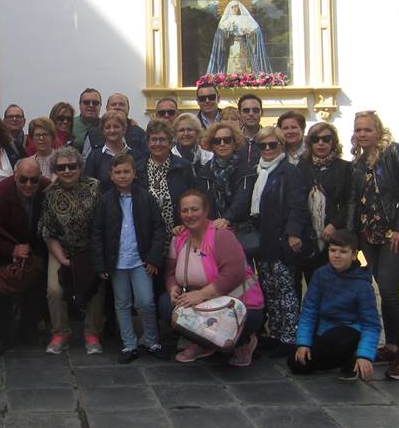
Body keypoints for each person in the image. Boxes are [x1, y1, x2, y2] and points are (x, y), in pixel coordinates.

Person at [348, 110, 399, 380]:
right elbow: (355, 200)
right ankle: (392, 346)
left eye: (367, 129)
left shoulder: (395, 153)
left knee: (390, 291)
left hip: (396, 234)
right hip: (371, 236)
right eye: (358, 130)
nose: (362, 134)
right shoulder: (359, 163)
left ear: (379, 131)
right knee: (384, 289)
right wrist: (353, 237)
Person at [160, 190, 264, 366]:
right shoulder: (178, 239)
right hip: (202, 304)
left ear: (206, 211)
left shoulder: (221, 235)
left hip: (237, 303)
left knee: (230, 334)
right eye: (185, 210)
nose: (189, 215)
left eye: (195, 209)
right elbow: (170, 272)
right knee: (165, 304)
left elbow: (234, 274)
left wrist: (201, 295)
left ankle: (244, 342)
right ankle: (204, 344)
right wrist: (172, 289)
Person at [91, 154, 166, 363]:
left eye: (126, 171)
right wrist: (100, 264)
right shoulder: (105, 201)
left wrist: (154, 258)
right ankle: (129, 344)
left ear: (134, 173)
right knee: (122, 303)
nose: (122, 176)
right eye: (118, 172)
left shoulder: (145, 198)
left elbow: (159, 228)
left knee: (146, 301)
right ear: (111, 175)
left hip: (141, 260)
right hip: (116, 262)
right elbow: (97, 233)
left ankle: (151, 340)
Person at [249, 126, 310, 356]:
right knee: (269, 289)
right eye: (262, 145)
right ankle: (274, 333)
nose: (267, 149)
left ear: (281, 146)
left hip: (282, 239)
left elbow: (298, 206)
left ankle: (289, 337)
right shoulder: (258, 171)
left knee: (286, 291)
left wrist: (293, 232)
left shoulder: (289, 172)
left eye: (272, 144)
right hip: (263, 240)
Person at [289, 229, 381, 381]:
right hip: (324, 330)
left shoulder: (363, 286)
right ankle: (338, 360)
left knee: (337, 341)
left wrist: (365, 355)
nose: (336, 255)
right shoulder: (320, 275)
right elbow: (309, 311)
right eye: (333, 250)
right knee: (296, 362)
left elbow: (371, 325)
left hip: (348, 332)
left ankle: (353, 357)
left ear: (354, 255)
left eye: (343, 252)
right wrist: (303, 344)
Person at [0, 158, 49, 355]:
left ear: (40, 177)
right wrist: (12, 250)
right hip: (6, 247)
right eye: (23, 179)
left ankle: (28, 329)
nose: (29, 184)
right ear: (15, 176)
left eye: (34, 180)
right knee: (1, 287)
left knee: (39, 283)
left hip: (35, 245)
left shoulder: (47, 188)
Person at [41, 146, 104, 355]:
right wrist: (63, 260)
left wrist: (90, 257)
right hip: (60, 249)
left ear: (80, 167)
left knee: (95, 287)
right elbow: (48, 231)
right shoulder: (49, 194)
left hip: (89, 250)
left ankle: (92, 333)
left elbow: (102, 223)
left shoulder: (94, 187)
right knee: (54, 290)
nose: (67, 171)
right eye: (61, 167)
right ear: (55, 170)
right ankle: (60, 333)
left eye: (72, 166)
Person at [299, 121, 352, 283]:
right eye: (315, 139)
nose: (320, 143)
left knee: (336, 284)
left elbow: (350, 202)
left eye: (326, 139)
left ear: (333, 142)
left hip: (335, 236)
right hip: (309, 237)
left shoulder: (345, 168)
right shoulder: (302, 167)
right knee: (313, 283)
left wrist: (334, 225)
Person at [138, 119, 195, 237]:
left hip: (179, 233)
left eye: (162, 139)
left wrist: (184, 224)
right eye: (154, 139)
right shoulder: (138, 168)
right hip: (147, 235)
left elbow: (193, 198)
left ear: (170, 142)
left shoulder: (184, 167)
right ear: (148, 142)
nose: (158, 144)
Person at [195, 121, 255, 229]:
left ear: (234, 143)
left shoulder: (246, 171)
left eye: (227, 140)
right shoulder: (204, 172)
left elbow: (242, 201)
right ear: (212, 145)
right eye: (217, 141)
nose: (222, 144)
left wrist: (226, 219)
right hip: (211, 226)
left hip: (242, 227)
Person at [206, 0, 271, 75]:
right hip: (232, 45)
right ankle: (232, 78)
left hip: (243, 44)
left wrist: (250, 33)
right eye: (232, 7)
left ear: (239, 7)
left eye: (236, 7)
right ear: (230, 8)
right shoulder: (227, 20)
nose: (234, 9)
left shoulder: (245, 19)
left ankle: (245, 79)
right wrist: (226, 32)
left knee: (244, 63)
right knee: (232, 62)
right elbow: (221, 35)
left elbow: (255, 30)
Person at [83, 110, 139, 190]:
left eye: (116, 127)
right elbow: (88, 186)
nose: (112, 130)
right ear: (102, 131)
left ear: (124, 129)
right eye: (107, 127)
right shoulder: (94, 157)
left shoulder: (135, 155)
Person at [85, 93, 146, 158]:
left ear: (128, 108)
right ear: (107, 108)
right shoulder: (93, 133)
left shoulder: (140, 133)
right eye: (113, 104)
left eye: (121, 104)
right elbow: (85, 158)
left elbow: (145, 158)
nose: (117, 107)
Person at [236, 93, 264, 166]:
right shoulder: (232, 140)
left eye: (255, 110)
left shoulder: (270, 139)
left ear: (262, 112)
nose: (251, 114)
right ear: (239, 113)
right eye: (246, 110)